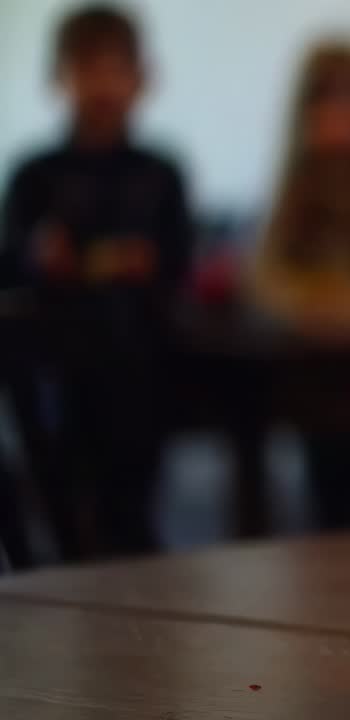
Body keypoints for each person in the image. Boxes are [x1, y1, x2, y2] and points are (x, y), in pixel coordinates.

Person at [0, 5, 193, 560]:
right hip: (56, 367)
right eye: (86, 69)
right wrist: (39, 256)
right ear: (58, 78)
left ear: (140, 78)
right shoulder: (34, 176)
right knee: (64, 486)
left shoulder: (160, 174)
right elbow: (11, 265)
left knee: (128, 497)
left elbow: (182, 263)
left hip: (142, 364)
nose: (101, 86)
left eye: (113, 69)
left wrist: (148, 265)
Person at [251, 41, 350, 530]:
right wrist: (312, 305)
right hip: (310, 380)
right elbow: (267, 278)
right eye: (325, 101)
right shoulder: (293, 203)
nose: (338, 117)